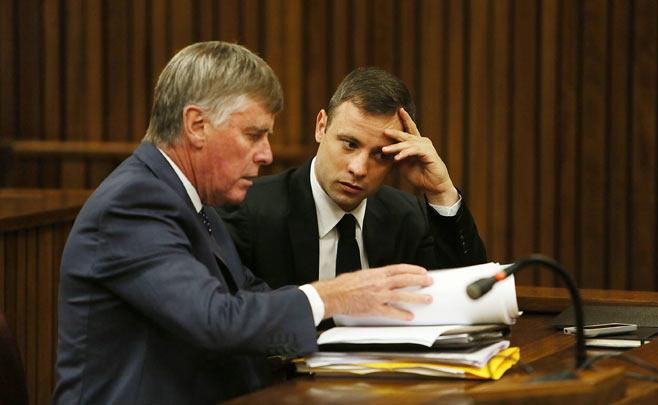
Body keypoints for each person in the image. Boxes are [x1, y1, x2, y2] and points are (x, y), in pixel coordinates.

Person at [52, 42, 434, 404]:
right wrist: (332, 295)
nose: (266, 154)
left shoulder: (192, 202)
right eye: (254, 135)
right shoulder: (134, 202)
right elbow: (215, 319)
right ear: (196, 125)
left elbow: (250, 296)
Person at [218, 67, 487, 291]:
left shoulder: (408, 218)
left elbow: (470, 297)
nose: (358, 168)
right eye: (349, 144)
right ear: (321, 126)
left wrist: (441, 192)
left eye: (380, 155)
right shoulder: (248, 211)